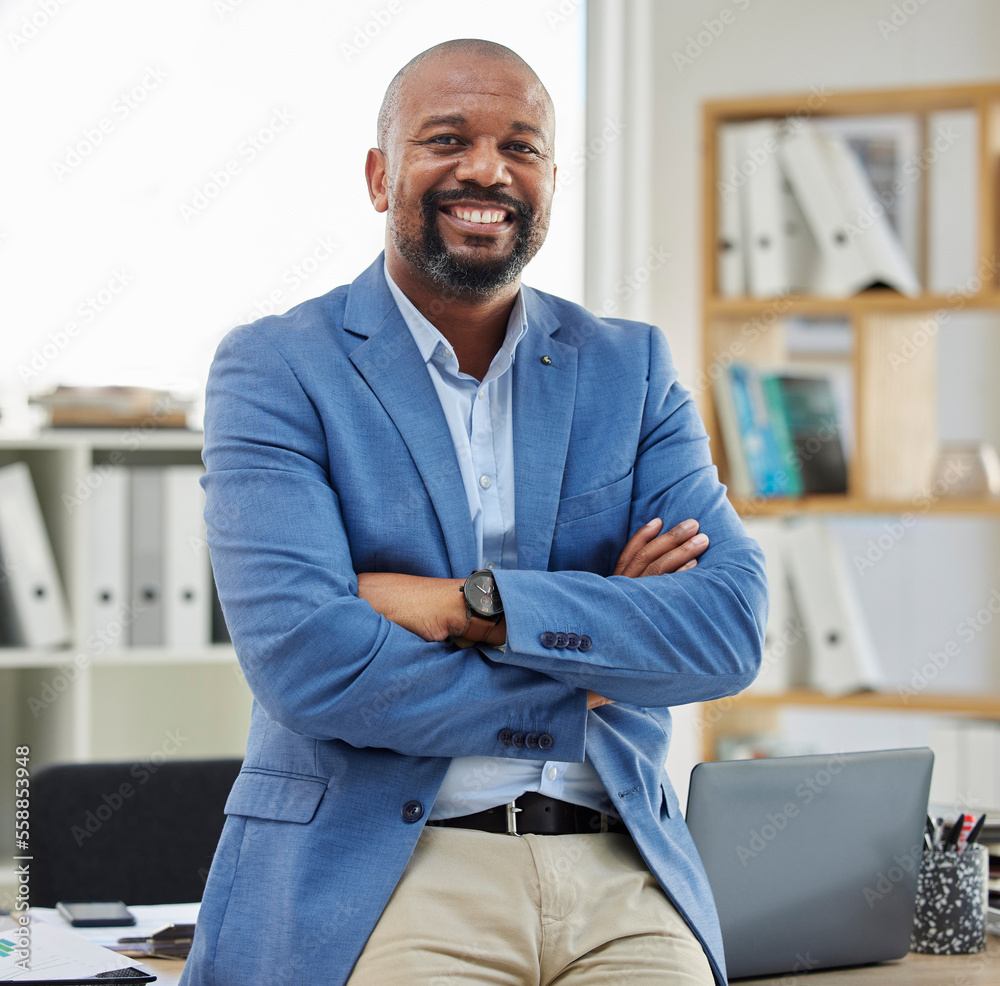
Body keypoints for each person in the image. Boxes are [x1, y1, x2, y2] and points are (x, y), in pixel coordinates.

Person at [180, 38, 767, 986]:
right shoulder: (277, 367)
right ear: (381, 176)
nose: (486, 169)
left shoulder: (633, 368)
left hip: (621, 871)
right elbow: (309, 660)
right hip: (393, 870)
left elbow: (726, 633)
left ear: (549, 181)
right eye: (445, 139)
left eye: (521, 147)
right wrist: (592, 671)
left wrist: (466, 607)